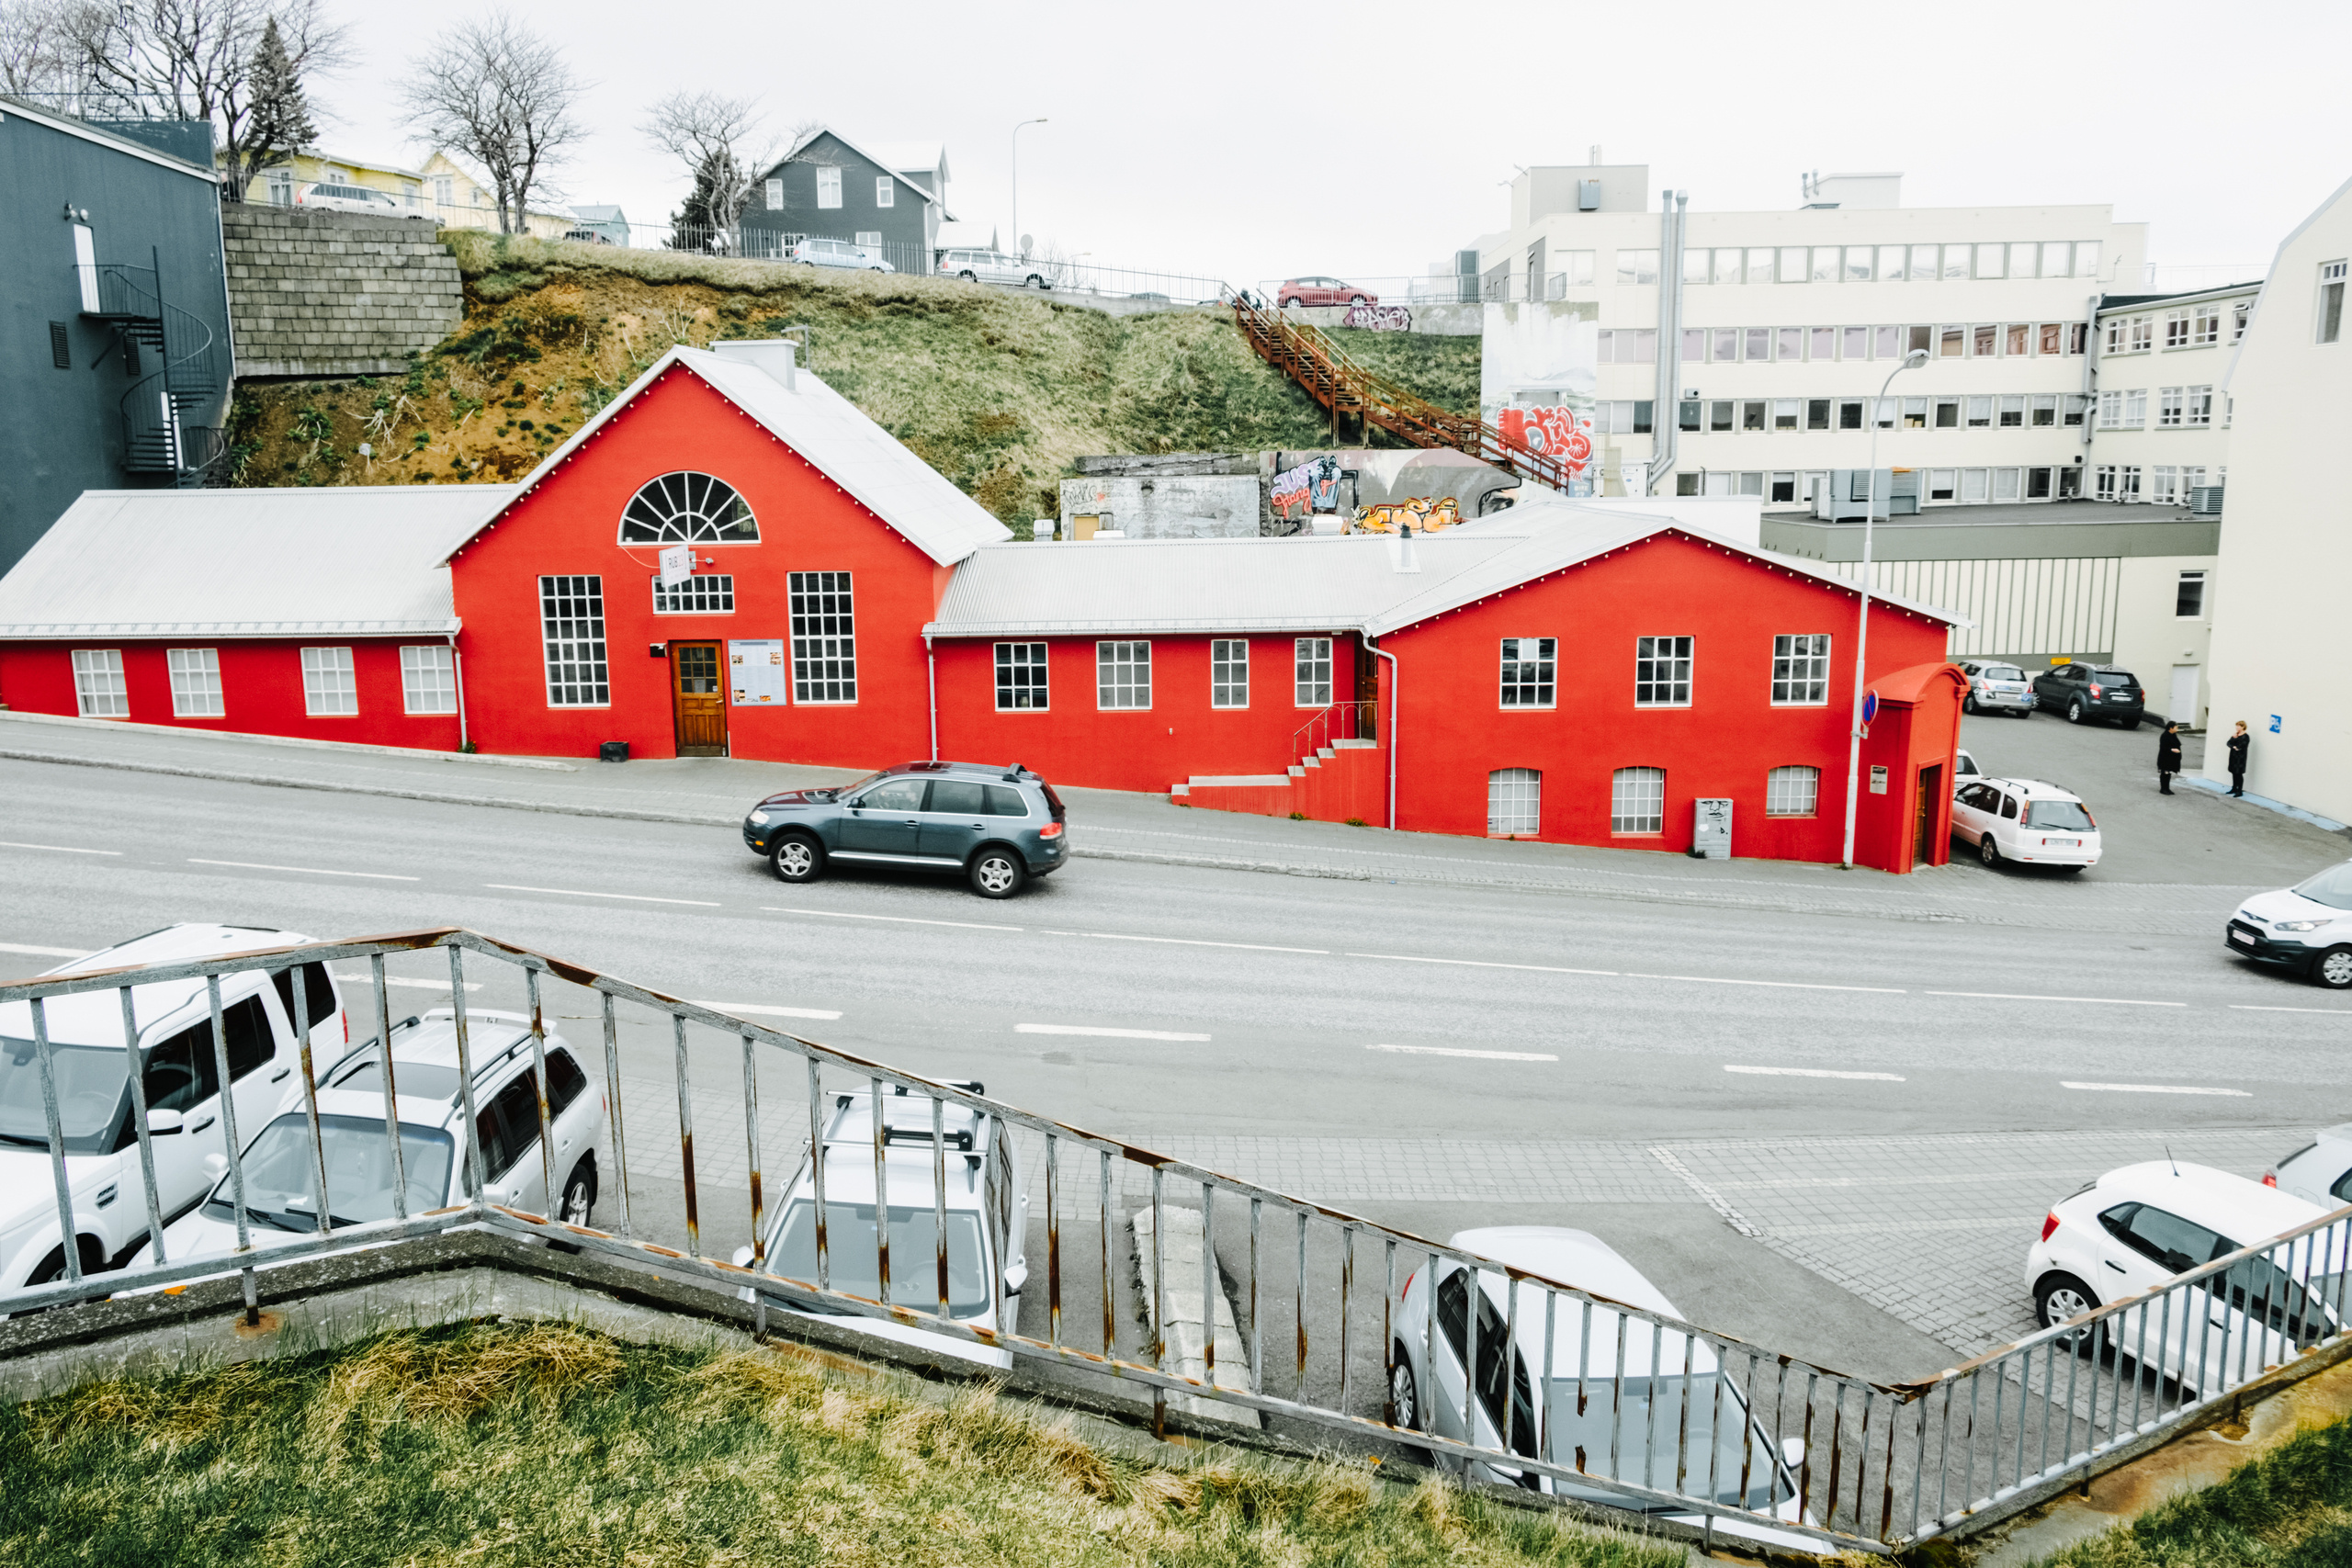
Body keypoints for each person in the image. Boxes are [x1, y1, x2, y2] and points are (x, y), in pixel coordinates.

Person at [2157, 722, 2184, 795]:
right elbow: (2163, 747)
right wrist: (2172, 750)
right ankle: (2163, 789)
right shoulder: (2165, 736)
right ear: (2171, 728)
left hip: (2171, 759)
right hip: (2165, 759)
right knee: (2165, 773)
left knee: (2168, 773)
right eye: (2176, 727)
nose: (2177, 729)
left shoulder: (2173, 735)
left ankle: (2167, 788)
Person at [2227, 719, 2251, 797]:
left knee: (2239, 774)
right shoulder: (2235, 735)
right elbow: (2229, 743)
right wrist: (2234, 739)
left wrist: (2235, 746)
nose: (2237, 727)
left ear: (2243, 727)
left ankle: (2239, 790)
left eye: (2238, 726)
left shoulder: (2246, 736)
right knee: (2234, 773)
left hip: (2240, 757)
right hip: (2233, 756)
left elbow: (2241, 746)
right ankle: (2234, 788)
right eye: (2236, 726)